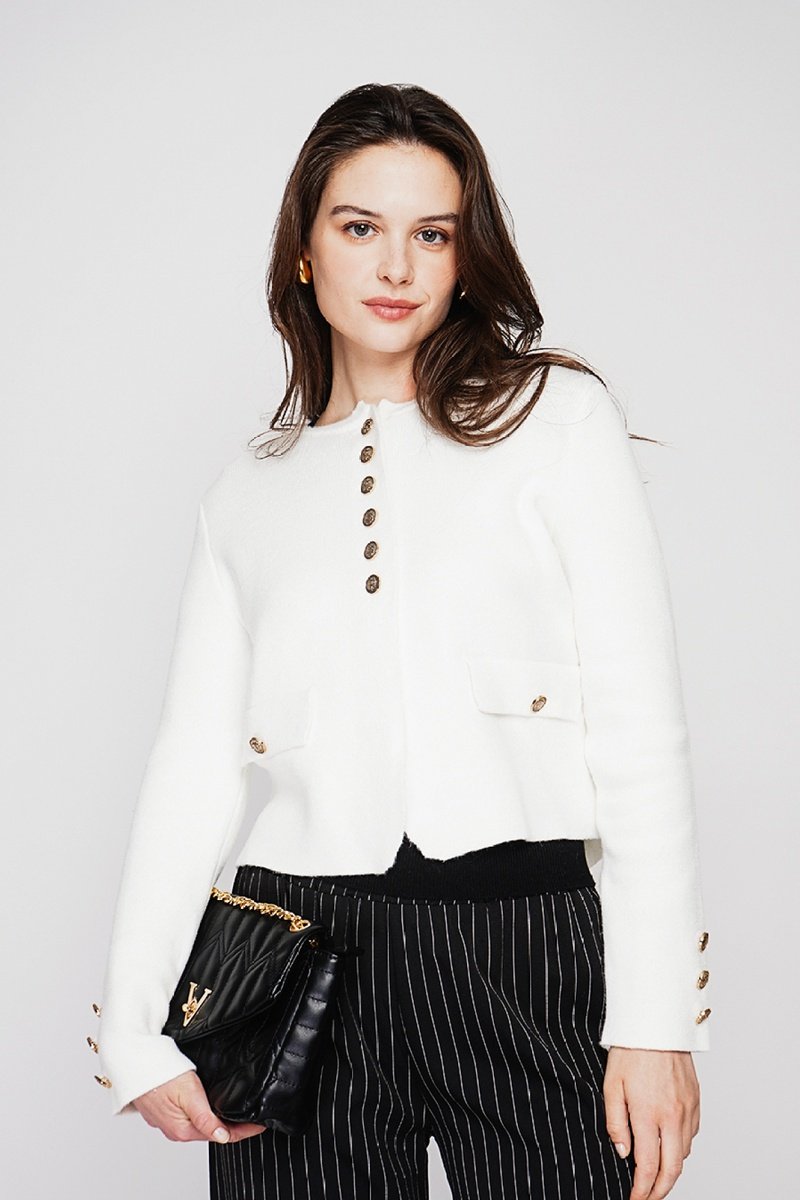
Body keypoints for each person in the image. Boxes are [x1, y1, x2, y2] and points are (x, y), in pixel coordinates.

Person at [89, 83, 712, 1200]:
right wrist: (137, 1029)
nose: (395, 266)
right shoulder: (246, 490)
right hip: (294, 960)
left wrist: (655, 1018)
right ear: (303, 250)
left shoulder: (556, 423)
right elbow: (192, 769)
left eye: (431, 234)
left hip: (525, 947)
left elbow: (638, 732)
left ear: (465, 257)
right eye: (358, 227)